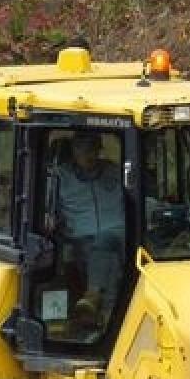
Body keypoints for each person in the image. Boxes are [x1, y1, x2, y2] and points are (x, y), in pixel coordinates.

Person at [53, 132, 125, 324]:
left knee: (108, 241)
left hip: (120, 233)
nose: (88, 154)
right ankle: (109, 313)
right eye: (81, 149)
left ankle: (93, 296)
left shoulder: (115, 172)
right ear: (73, 151)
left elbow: (134, 198)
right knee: (111, 261)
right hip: (80, 237)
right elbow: (47, 210)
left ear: (99, 149)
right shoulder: (60, 177)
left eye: (92, 148)